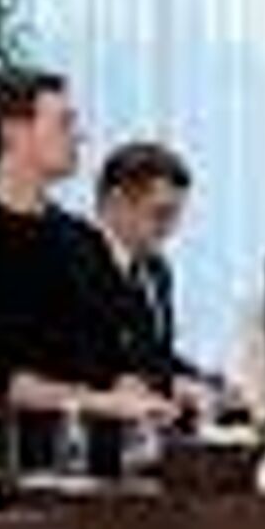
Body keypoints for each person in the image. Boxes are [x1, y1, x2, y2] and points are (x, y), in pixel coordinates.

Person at [0, 67, 178, 465]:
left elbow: (114, 356)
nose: (78, 136)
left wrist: (137, 391)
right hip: (11, 463)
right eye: (64, 122)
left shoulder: (84, 239)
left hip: (105, 460)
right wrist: (100, 401)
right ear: (14, 131)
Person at [89, 141, 219, 409]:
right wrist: (169, 385)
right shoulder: (77, 264)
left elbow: (155, 356)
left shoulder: (157, 270)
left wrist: (208, 382)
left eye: (176, 215)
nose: (170, 228)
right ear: (116, 203)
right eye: (160, 214)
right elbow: (90, 363)